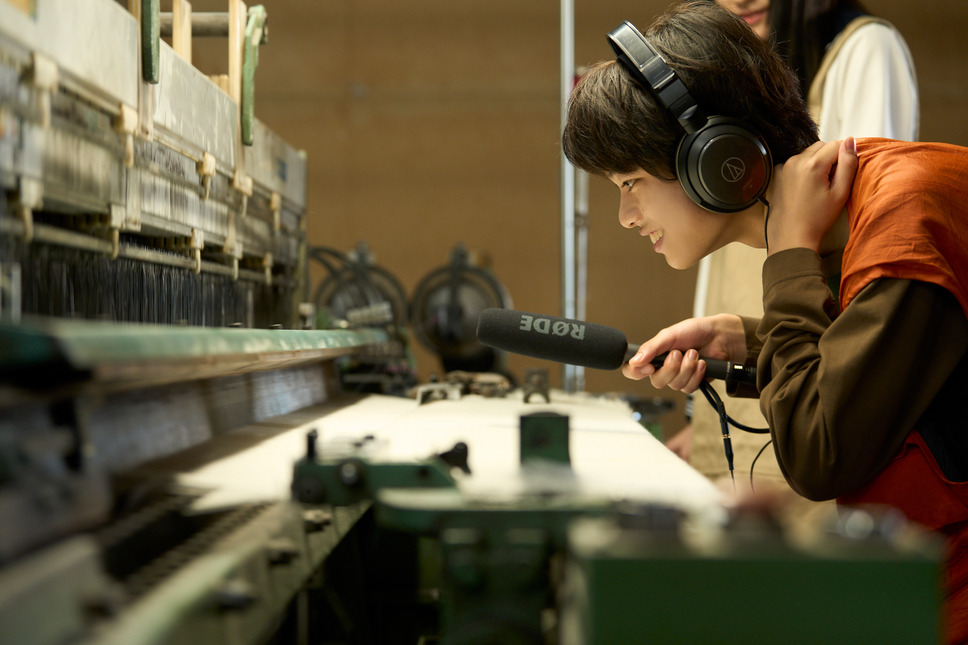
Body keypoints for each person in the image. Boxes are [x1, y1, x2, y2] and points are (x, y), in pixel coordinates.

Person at [561, 2, 967, 641]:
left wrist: (788, 254)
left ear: (714, 158)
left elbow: (819, 454)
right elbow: (881, 365)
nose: (626, 216)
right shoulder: (869, 213)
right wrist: (748, 341)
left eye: (631, 182)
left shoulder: (902, 221)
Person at [675, 0, 920, 493]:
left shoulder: (865, 48)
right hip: (752, 379)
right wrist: (697, 413)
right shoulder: (734, 90)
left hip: (815, 391)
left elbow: (868, 244)